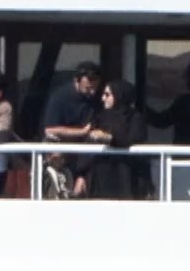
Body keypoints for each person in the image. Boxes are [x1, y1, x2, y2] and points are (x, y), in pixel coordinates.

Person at [77, 80, 150, 200]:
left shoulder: (134, 118)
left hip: (126, 176)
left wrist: (108, 137)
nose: (103, 98)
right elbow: (88, 145)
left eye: (107, 95)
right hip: (100, 177)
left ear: (119, 96)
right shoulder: (100, 116)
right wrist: (81, 175)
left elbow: (133, 139)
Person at [42, 62, 104, 198]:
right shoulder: (60, 97)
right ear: (76, 80)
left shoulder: (96, 100)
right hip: (60, 159)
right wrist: (81, 132)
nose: (92, 92)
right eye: (88, 88)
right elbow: (50, 130)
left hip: (86, 159)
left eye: (95, 88)